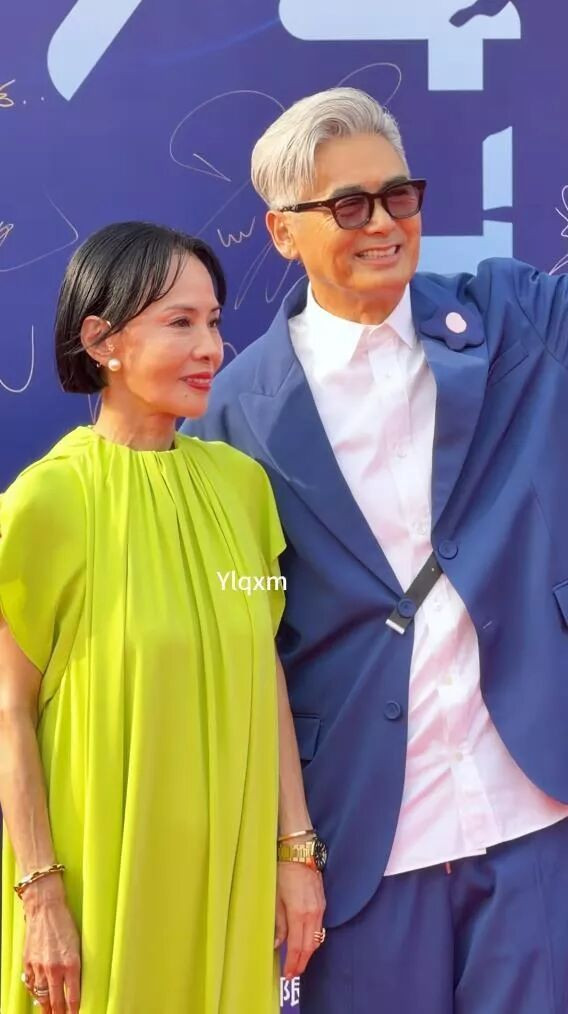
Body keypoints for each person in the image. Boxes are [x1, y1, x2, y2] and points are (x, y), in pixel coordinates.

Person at [186, 87, 568, 1013]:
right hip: (363, 837)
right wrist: (286, 845)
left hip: (532, 804)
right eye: (349, 205)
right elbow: (242, 646)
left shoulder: (513, 320)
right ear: (283, 232)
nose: (384, 224)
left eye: (399, 195)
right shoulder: (234, 414)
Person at [0, 221, 324, 1014]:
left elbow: (264, 673)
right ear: (101, 340)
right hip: (99, 876)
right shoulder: (48, 501)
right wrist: (42, 898)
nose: (210, 347)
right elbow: (9, 714)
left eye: (213, 321)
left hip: (229, 869)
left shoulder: (242, 489)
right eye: (180, 322)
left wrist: (297, 851)